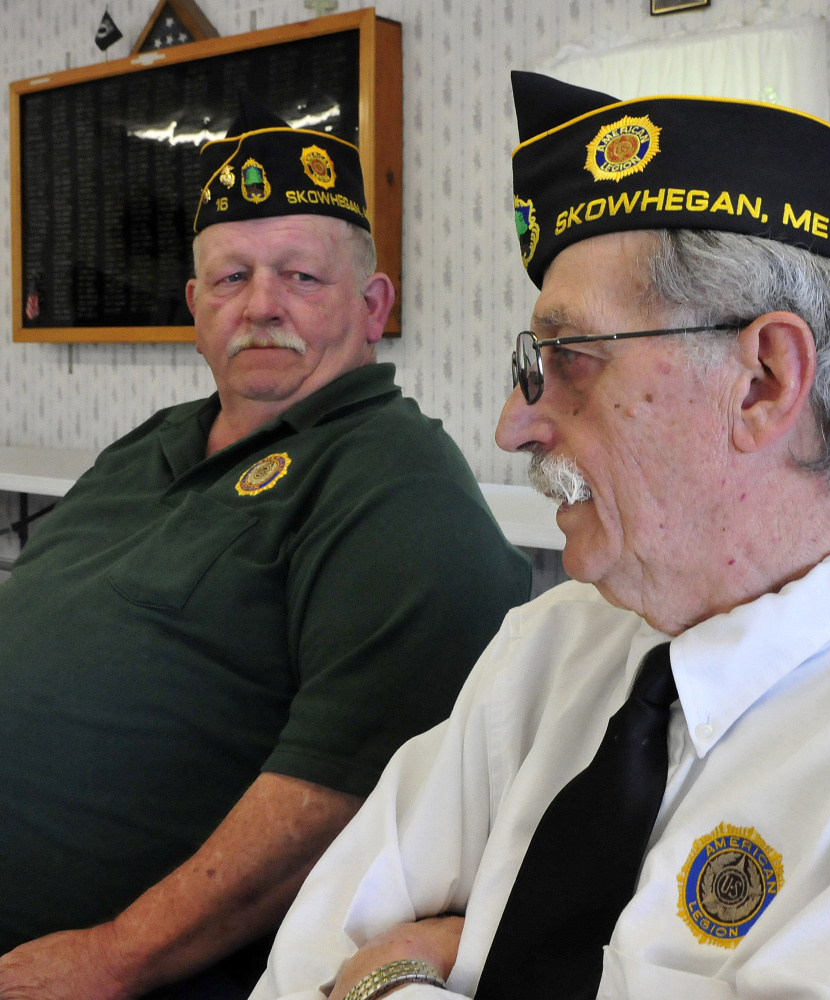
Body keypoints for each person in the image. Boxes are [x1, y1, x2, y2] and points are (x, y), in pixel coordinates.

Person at [250, 72, 830, 1000]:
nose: (512, 426)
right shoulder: (551, 647)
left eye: (570, 361)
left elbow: (348, 967)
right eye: (531, 365)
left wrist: (391, 975)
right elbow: (302, 961)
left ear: (761, 381)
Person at [0, 98, 531, 1000]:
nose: (260, 306)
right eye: (232, 277)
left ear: (372, 305)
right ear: (194, 305)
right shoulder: (156, 438)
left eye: (300, 279)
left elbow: (349, 792)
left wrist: (114, 955)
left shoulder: (395, 482)